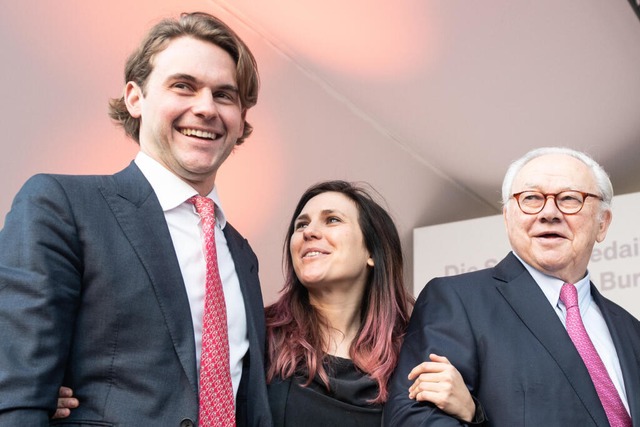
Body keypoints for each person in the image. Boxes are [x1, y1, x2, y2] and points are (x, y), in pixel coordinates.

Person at [0, 12, 271, 426]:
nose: (205, 108)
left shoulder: (241, 253)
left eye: (224, 94)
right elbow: (18, 389)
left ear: (240, 121)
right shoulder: (62, 205)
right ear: (135, 98)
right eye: (183, 86)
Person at [385, 147, 640, 426]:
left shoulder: (631, 330)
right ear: (507, 218)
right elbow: (414, 418)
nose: (549, 212)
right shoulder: (458, 300)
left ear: (602, 223)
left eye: (569, 199)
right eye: (531, 198)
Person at [264, 180, 482, 426]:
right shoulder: (262, 335)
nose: (308, 232)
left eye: (332, 220)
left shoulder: (411, 356)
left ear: (371, 252)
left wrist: (471, 412)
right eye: (301, 224)